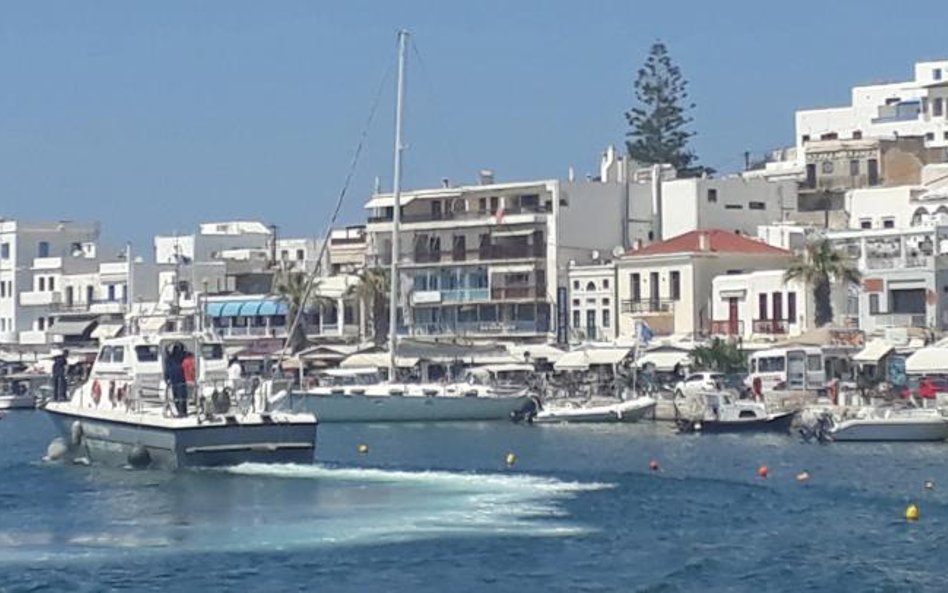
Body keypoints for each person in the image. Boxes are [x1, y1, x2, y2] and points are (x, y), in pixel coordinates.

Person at [165, 343, 187, 417]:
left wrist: (167, 378)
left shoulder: (169, 359)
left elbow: (167, 370)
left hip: (176, 378)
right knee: (180, 396)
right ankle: (182, 411)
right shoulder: (180, 357)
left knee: (178, 396)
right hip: (179, 378)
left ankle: (181, 411)